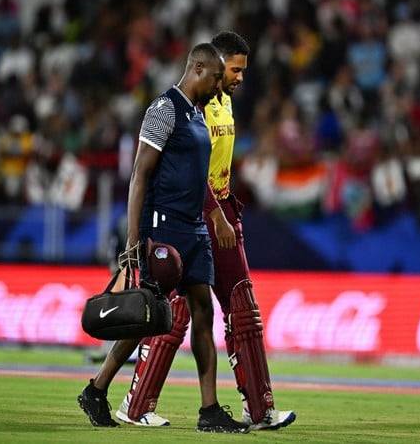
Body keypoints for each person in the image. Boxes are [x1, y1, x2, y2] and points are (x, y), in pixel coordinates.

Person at [115, 31, 296, 430]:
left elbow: (218, 168)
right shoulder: (194, 108)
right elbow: (181, 174)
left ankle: (250, 407)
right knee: (188, 311)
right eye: (231, 71)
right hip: (195, 216)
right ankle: (137, 402)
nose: (235, 80)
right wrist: (214, 213)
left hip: (218, 212)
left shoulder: (220, 104)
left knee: (218, 309)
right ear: (211, 67)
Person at [77, 42, 249, 433]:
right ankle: (97, 389)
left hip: (193, 229)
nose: (221, 85)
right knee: (147, 316)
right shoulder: (164, 110)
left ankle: (209, 411)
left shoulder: (197, 113)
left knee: (203, 313)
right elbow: (139, 174)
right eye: (218, 77)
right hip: (164, 228)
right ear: (199, 69)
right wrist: (135, 238)